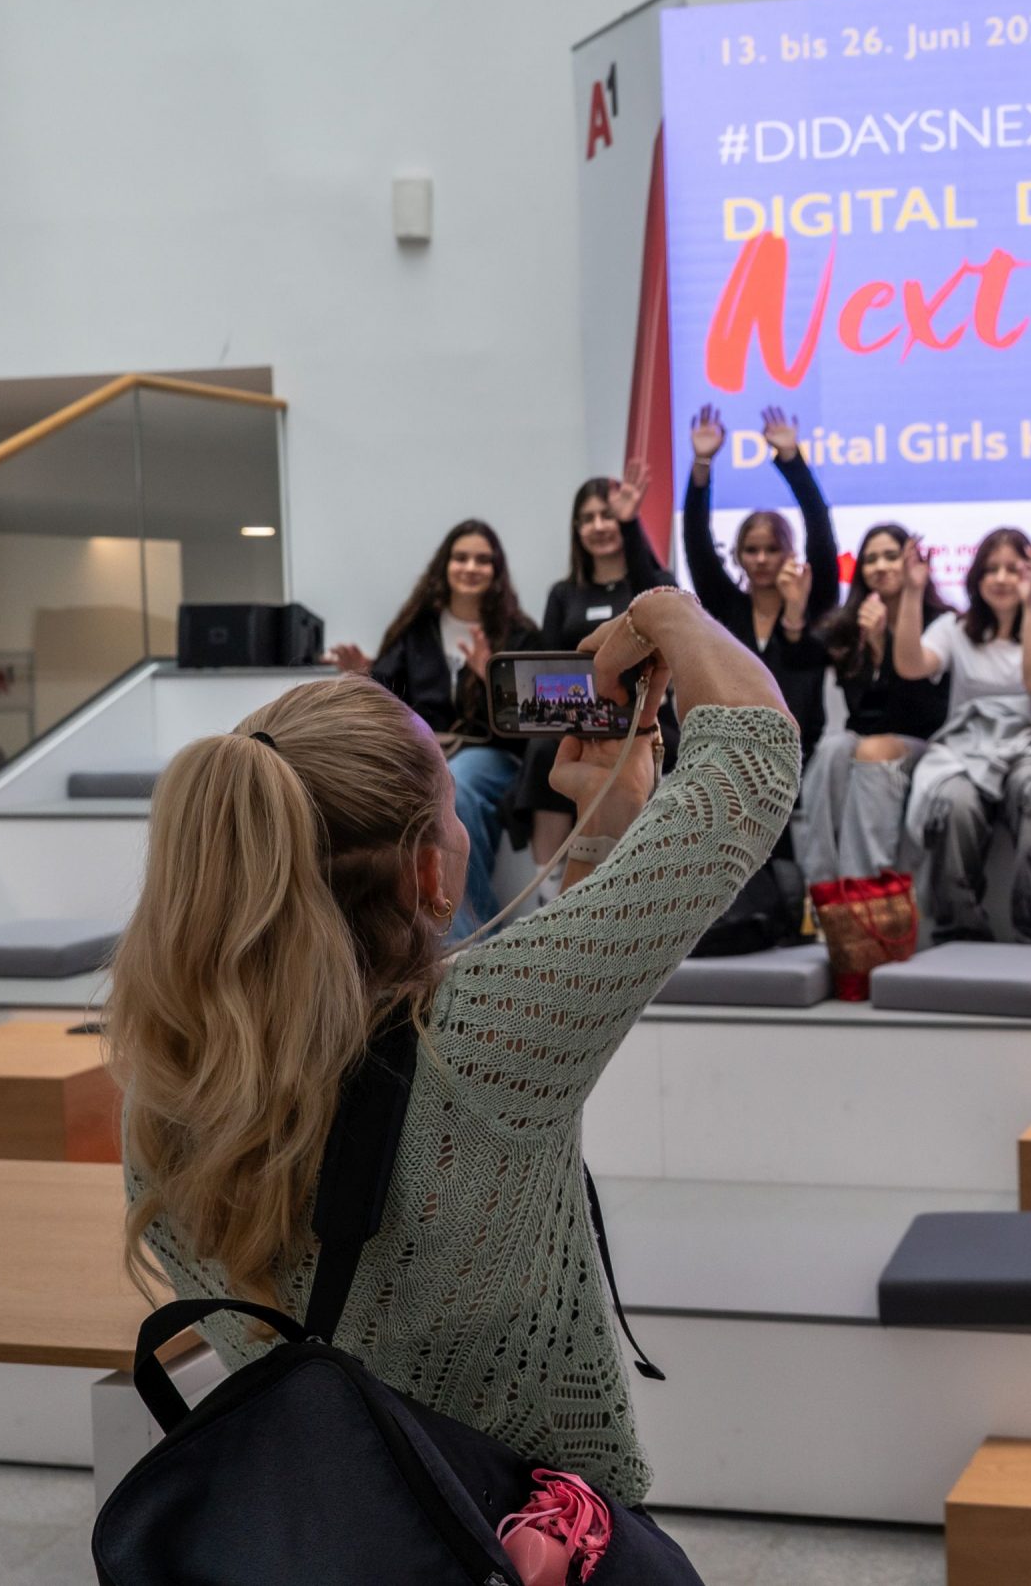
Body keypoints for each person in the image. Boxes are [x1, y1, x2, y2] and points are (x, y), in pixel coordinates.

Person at [110, 587, 799, 1508]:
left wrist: (600, 833)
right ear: (430, 872)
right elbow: (751, 762)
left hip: (336, 1535)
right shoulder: (482, 1037)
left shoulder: (165, 1087)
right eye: (450, 810)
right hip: (529, 1546)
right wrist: (666, 610)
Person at [327, 519, 538, 938]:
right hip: (425, 750)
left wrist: (491, 679)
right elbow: (388, 701)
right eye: (461, 558)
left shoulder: (519, 633)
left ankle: (473, 940)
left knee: (455, 784)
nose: (471, 567)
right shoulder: (417, 628)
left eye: (482, 560)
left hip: (492, 754)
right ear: (445, 566)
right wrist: (362, 677)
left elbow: (532, 722)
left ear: (497, 570)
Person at [893, 528, 1031, 944]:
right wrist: (911, 593)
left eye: (1014, 568)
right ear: (976, 578)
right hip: (967, 749)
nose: (1003, 578)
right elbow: (910, 665)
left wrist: (1029, 610)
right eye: (992, 569)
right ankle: (960, 929)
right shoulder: (955, 628)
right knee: (953, 802)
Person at [513, 476, 676, 885]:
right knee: (539, 752)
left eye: (608, 515)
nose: (599, 525)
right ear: (576, 529)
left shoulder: (650, 581)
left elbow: (661, 603)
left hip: (641, 715)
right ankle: (547, 889)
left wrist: (631, 523)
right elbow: (548, 667)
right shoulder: (563, 593)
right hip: (577, 717)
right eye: (588, 518)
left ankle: (628, 883)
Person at [681, 403, 840, 757]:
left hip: (805, 754)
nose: (763, 559)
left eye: (773, 549)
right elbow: (696, 540)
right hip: (734, 755)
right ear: (738, 555)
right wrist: (702, 465)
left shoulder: (816, 599)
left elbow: (819, 524)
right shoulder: (724, 605)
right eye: (752, 550)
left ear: (789, 552)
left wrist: (791, 458)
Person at [797, 522, 952, 883]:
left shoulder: (940, 624)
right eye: (870, 559)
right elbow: (804, 662)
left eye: (890, 556)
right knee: (835, 747)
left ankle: (863, 889)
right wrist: (795, 609)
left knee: (873, 749)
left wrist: (883, 645)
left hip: (923, 742)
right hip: (864, 740)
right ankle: (820, 887)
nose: (880, 566)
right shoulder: (849, 625)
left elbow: (917, 712)